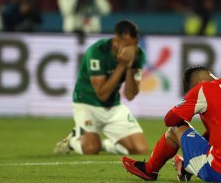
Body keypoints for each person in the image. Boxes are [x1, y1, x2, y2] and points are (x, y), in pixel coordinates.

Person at [121, 66, 221, 183]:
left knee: (176, 127)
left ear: (195, 85)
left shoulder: (203, 89)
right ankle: (184, 166)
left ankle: (149, 169)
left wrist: (189, 103)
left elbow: (170, 119)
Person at [53, 20, 149, 155]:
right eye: (127, 45)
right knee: (91, 149)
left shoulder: (138, 55)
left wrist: (129, 68)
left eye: (134, 44)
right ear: (116, 41)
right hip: (87, 103)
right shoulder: (97, 51)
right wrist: (121, 66)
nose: (131, 49)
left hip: (113, 107)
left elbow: (130, 95)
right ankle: (73, 140)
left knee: (140, 150)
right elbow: (102, 94)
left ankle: (105, 145)